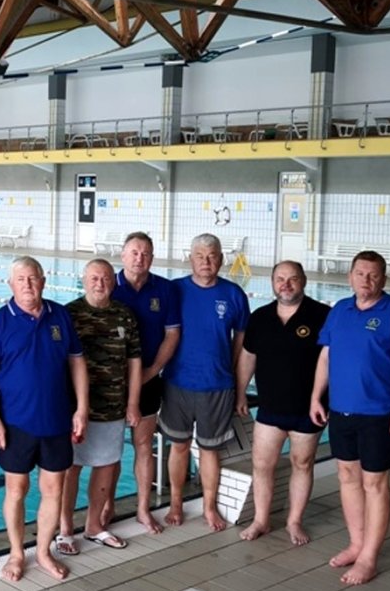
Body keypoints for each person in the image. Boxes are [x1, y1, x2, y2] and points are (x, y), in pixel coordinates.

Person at [310, 251, 390, 586]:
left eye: (373, 275)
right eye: (360, 273)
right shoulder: (339, 311)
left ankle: (369, 557)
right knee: (347, 476)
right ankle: (356, 543)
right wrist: (316, 396)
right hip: (342, 410)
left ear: (384, 279)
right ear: (350, 276)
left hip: (380, 414)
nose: (366, 280)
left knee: (375, 484)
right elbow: (325, 357)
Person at [0, 256, 89, 582]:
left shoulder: (60, 315)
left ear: (43, 281)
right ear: (10, 284)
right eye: (21, 279)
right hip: (15, 424)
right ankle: (16, 553)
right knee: (17, 489)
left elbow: (77, 362)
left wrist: (81, 408)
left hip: (56, 421)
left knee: (53, 489)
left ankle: (42, 551)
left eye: (33, 278)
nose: (27, 284)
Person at [234, 262, 330, 545]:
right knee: (262, 464)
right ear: (272, 282)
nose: (286, 285)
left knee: (302, 463)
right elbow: (248, 356)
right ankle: (261, 520)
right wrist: (240, 392)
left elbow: (332, 360)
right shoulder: (261, 317)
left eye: (292, 279)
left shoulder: (322, 315)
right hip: (270, 408)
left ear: (304, 281)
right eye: (280, 279)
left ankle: (294, 521)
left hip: (308, 408)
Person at [160, 234, 250, 532]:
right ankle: (175, 503)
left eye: (212, 256)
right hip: (177, 382)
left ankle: (209, 507)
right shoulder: (175, 290)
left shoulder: (234, 294)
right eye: (200, 255)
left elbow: (242, 339)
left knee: (210, 450)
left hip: (217, 384)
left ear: (221, 259)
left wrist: (233, 376)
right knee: (179, 446)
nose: (206, 261)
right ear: (190, 259)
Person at [60, 259, 142, 554]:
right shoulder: (69, 314)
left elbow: (134, 362)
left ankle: (94, 526)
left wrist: (132, 403)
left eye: (105, 278)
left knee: (106, 466)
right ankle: (65, 529)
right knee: (70, 468)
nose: (100, 283)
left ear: (113, 282)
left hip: (113, 406)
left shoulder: (124, 315)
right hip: (75, 410)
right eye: (94, 278)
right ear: (84, 280)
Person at [111, 232, 179, 534]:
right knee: (109, 450)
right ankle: (107, 506)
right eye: (135, 252)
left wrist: (150, 372)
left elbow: (172, 335)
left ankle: (142, 508)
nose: (140, 258)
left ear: (152, 258)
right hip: (112, 384)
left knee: (143, 445)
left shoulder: (164, 289)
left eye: (146, 253)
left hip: (150, 379)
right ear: (123, 255)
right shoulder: (109, 286)